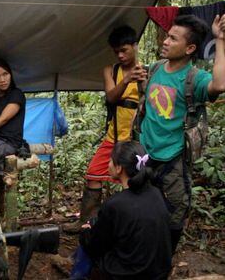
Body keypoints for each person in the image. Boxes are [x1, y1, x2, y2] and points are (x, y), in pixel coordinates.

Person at [139, 14, 225, 252]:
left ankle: (164, 258)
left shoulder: (195, 79)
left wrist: (220, 40)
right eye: (167, 36)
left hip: (173, 160)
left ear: (190, 48)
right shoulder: (155, 68)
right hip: (144, 156)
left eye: (173, 39)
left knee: (175, 211)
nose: (166, 41)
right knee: (142, 209)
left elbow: (218, 85)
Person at [64, 25, 146, 233]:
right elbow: (111, 97)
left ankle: (130, 224)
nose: (120, 55)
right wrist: (127, 80)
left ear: (135, 46)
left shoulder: (147, 70)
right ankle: (87, 222)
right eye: (116, 51)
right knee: (93, 174)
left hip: (136, 139)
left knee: (132, 180)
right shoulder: (112, 70)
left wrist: (142, 81)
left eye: (124, 50)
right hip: (114, 136)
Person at [73, 142, 172, 280]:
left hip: (127, 274)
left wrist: (86, 232)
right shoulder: (156, 193)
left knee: (87, 243)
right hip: (159, 272)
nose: (108, 164)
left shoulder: (115, 204)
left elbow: (96, 245)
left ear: (119, 168)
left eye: (111, 161)